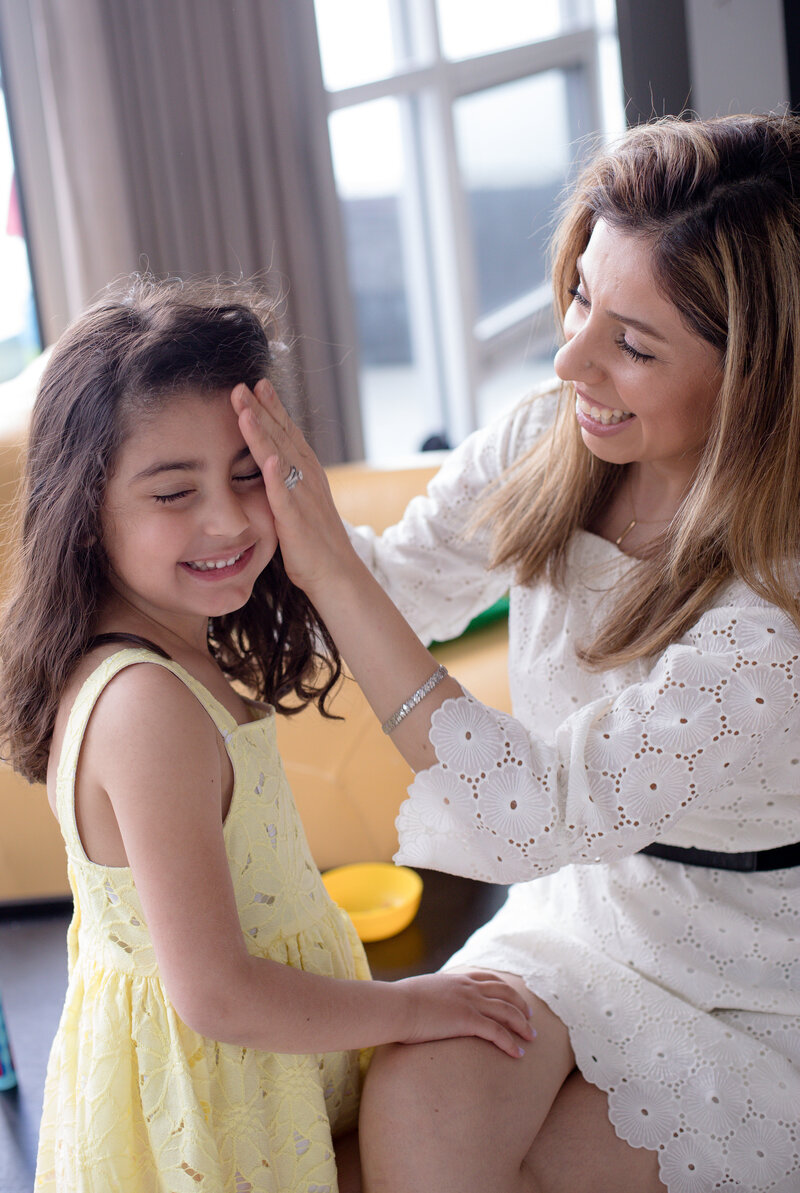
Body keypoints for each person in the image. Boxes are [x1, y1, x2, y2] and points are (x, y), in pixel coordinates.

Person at [232, 113, 800, 1193]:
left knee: (529, 1164)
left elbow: (531, 811)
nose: (568, 357)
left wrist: (331, 575)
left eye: (632, 343)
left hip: (750, 972)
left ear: (756, 378)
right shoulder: (557, 435)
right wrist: (218, 535)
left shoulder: (772, 616)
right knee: (410, 1126)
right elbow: (400, 578)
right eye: (582, 294)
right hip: (579, 914)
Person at [0, 278, 534, 1193]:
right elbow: (215, 993)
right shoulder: (145, 706)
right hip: (214, 1116)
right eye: (175, 492)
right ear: (85, 511)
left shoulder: (183, 652)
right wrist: (411, 1005)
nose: (228, 518)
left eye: (249, 474)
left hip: (258, 1076)